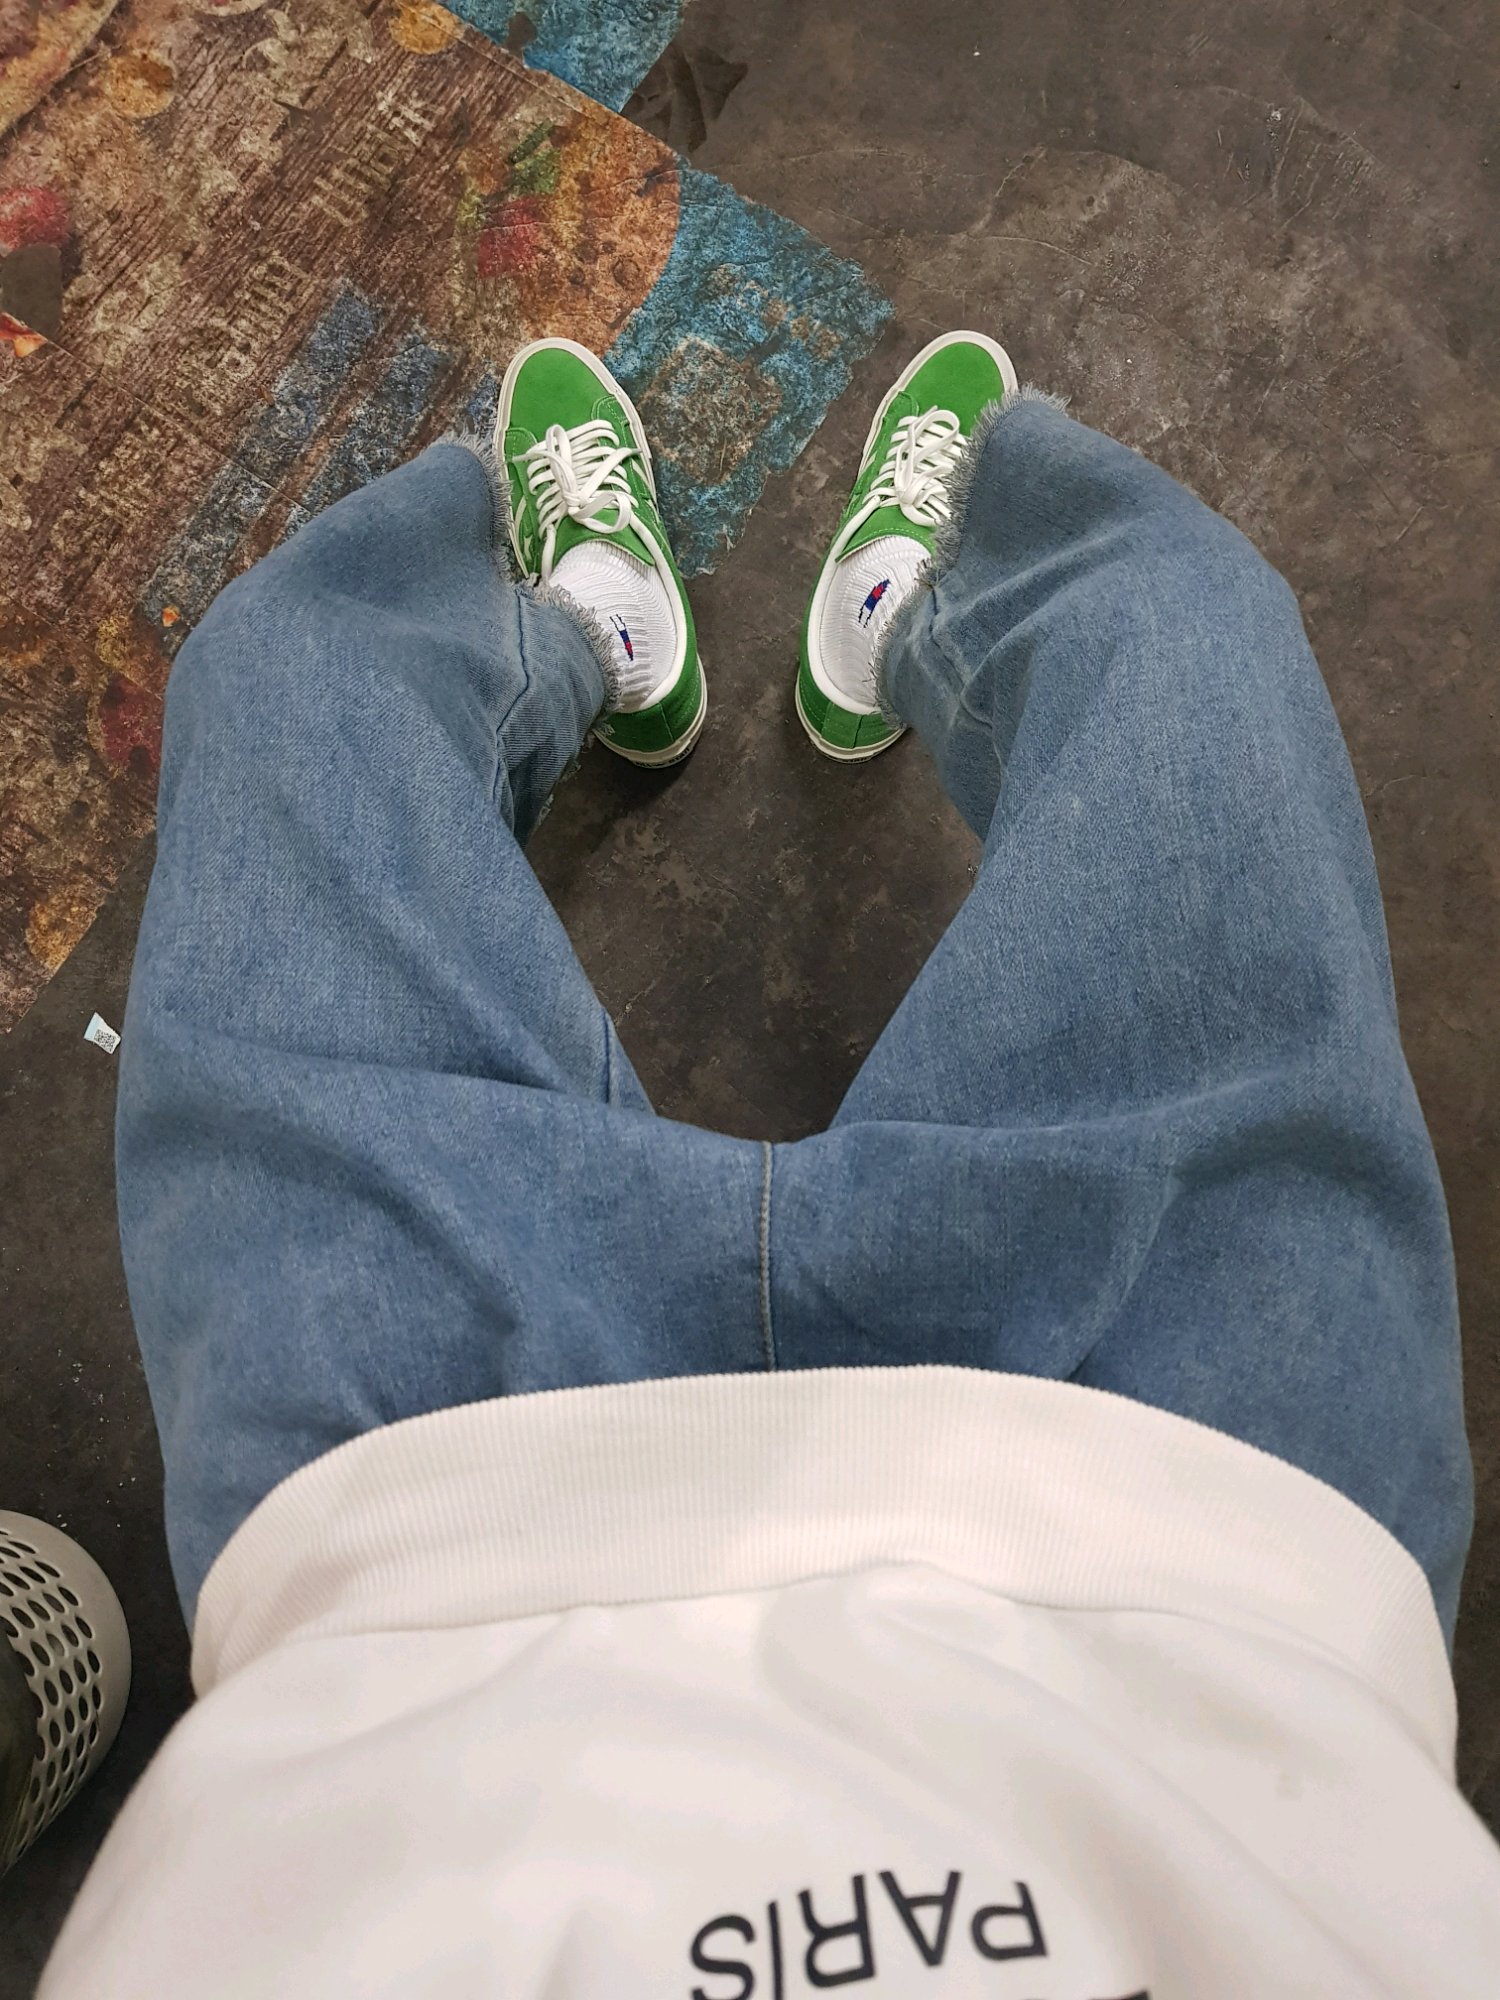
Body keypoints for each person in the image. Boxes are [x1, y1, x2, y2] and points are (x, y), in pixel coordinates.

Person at [40, 332, 1500, 1994]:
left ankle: (578, 631)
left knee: (285, 675)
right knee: (1192, 632)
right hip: (1218, 1547)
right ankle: (912, 602)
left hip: (410, 1550)